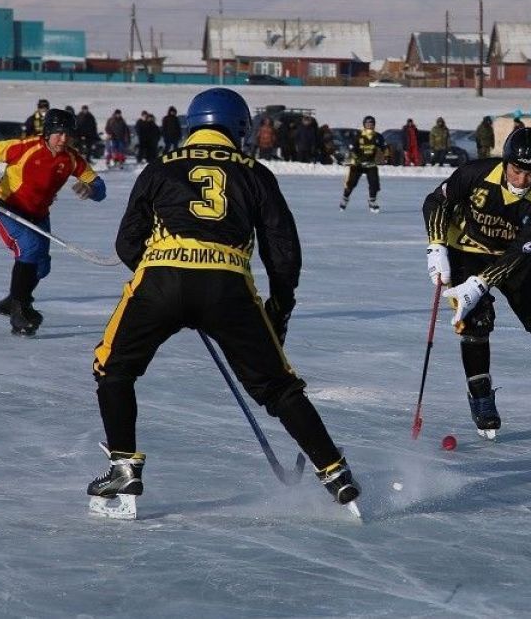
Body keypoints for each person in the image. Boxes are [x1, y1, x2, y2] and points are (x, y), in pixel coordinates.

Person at [87, 87, 360, 514]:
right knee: (278, 387)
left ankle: (124, 466)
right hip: (228, 289)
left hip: (160, 281)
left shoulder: (158, 168)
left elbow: (126, 245)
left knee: (113, 369)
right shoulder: (255, 172)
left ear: (194, 124)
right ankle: (335, 472)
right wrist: (278, 309)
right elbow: (283, 253)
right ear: (239, 130)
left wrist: (169, 282)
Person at [422, 126, 531, 438]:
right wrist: (436, 246)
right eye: (516, 170)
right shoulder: (475, 173)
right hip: (465, 252)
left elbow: (520, 252)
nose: (521, 180)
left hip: (515, 261)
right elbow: (436, 203)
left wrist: (481, 284)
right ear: (506, 162)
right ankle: (481, 397)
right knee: (475, 322)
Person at [0, 108, 106, 335]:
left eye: (68, 134)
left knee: (42, 265)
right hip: (5, 208)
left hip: (38, 216)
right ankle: (19, 312)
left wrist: (90, 188)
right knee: (29, 247)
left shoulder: (72, 159)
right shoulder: (25, 147)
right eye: (58, 133)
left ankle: (13, 300)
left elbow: (100, 187)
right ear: (47, 133)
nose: (63, 139)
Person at [340, 115, 386, 212]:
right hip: (358, 164)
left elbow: (383, 149)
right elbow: (352, 149)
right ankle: (345, 198)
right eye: (367, 123)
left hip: (371, 164)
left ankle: (372, 201)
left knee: (374, 184)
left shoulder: (377, 136)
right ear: (364, 124)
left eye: (371, 123)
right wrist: (357, 159)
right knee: (351, 183)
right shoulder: (359, 136)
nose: (369, 125)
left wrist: (383, 157)